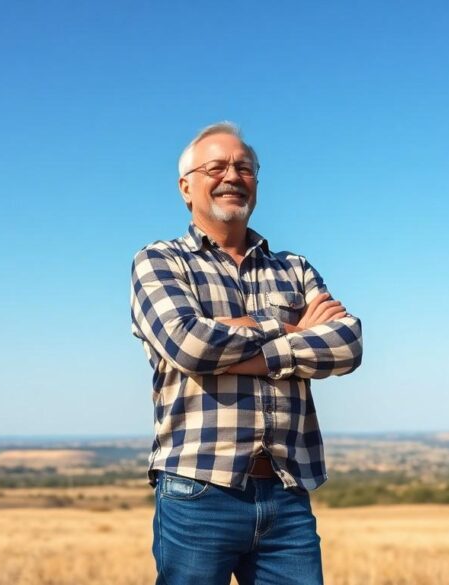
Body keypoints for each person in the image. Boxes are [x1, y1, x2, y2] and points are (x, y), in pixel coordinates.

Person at [130, 121, 363, 585]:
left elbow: (346, 344)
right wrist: (289, 328)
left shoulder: (293, 268)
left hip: (285, 491)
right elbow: (188, 344)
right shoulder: (160, 262)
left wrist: (250, 350)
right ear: (186, 187)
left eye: (245, 168)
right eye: (216, 166)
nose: (232, 176)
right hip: (197, 490)